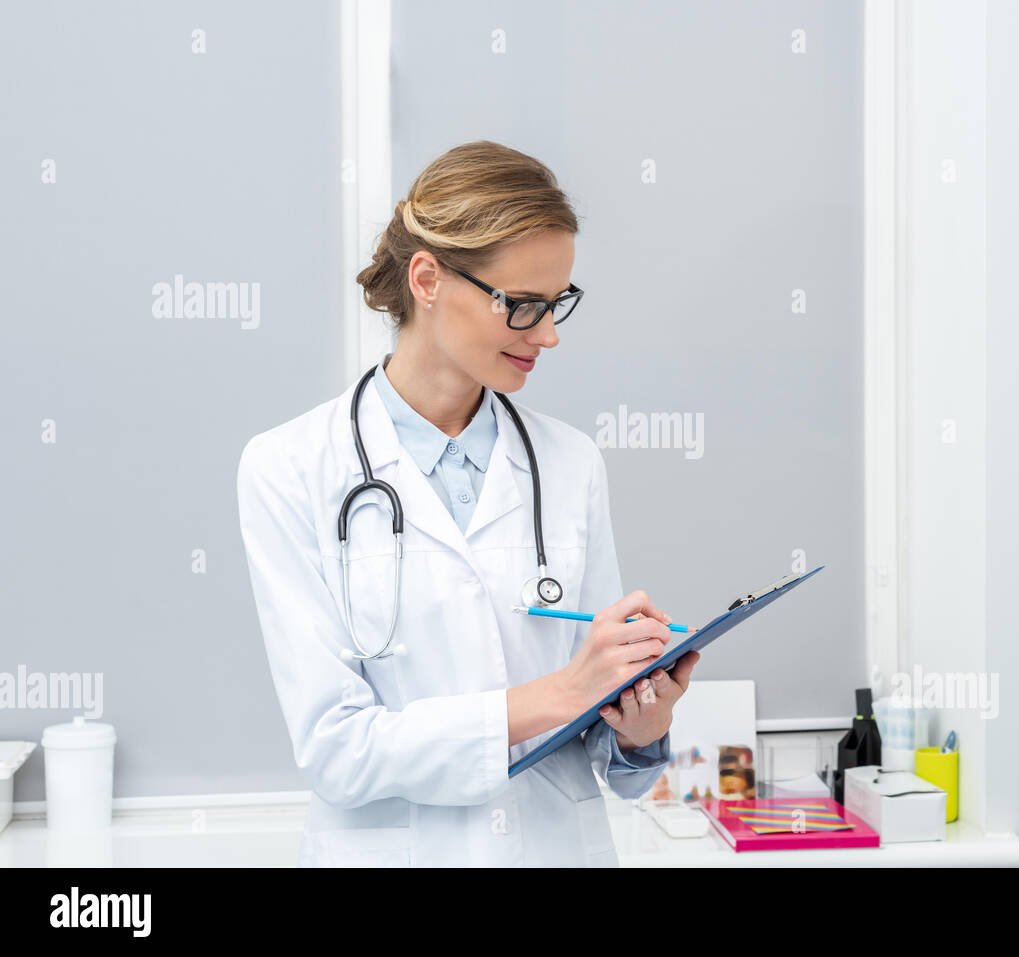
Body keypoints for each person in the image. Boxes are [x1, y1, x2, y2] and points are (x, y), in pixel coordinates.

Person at [235, 140, 700, 866]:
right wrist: (558, 693)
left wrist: (640, 724)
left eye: (557, 305)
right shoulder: (289, 468)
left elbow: (609, 751)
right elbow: (338, 750)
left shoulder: (569, 462)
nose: (546, 334)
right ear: (427, 278)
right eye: (521, 305)